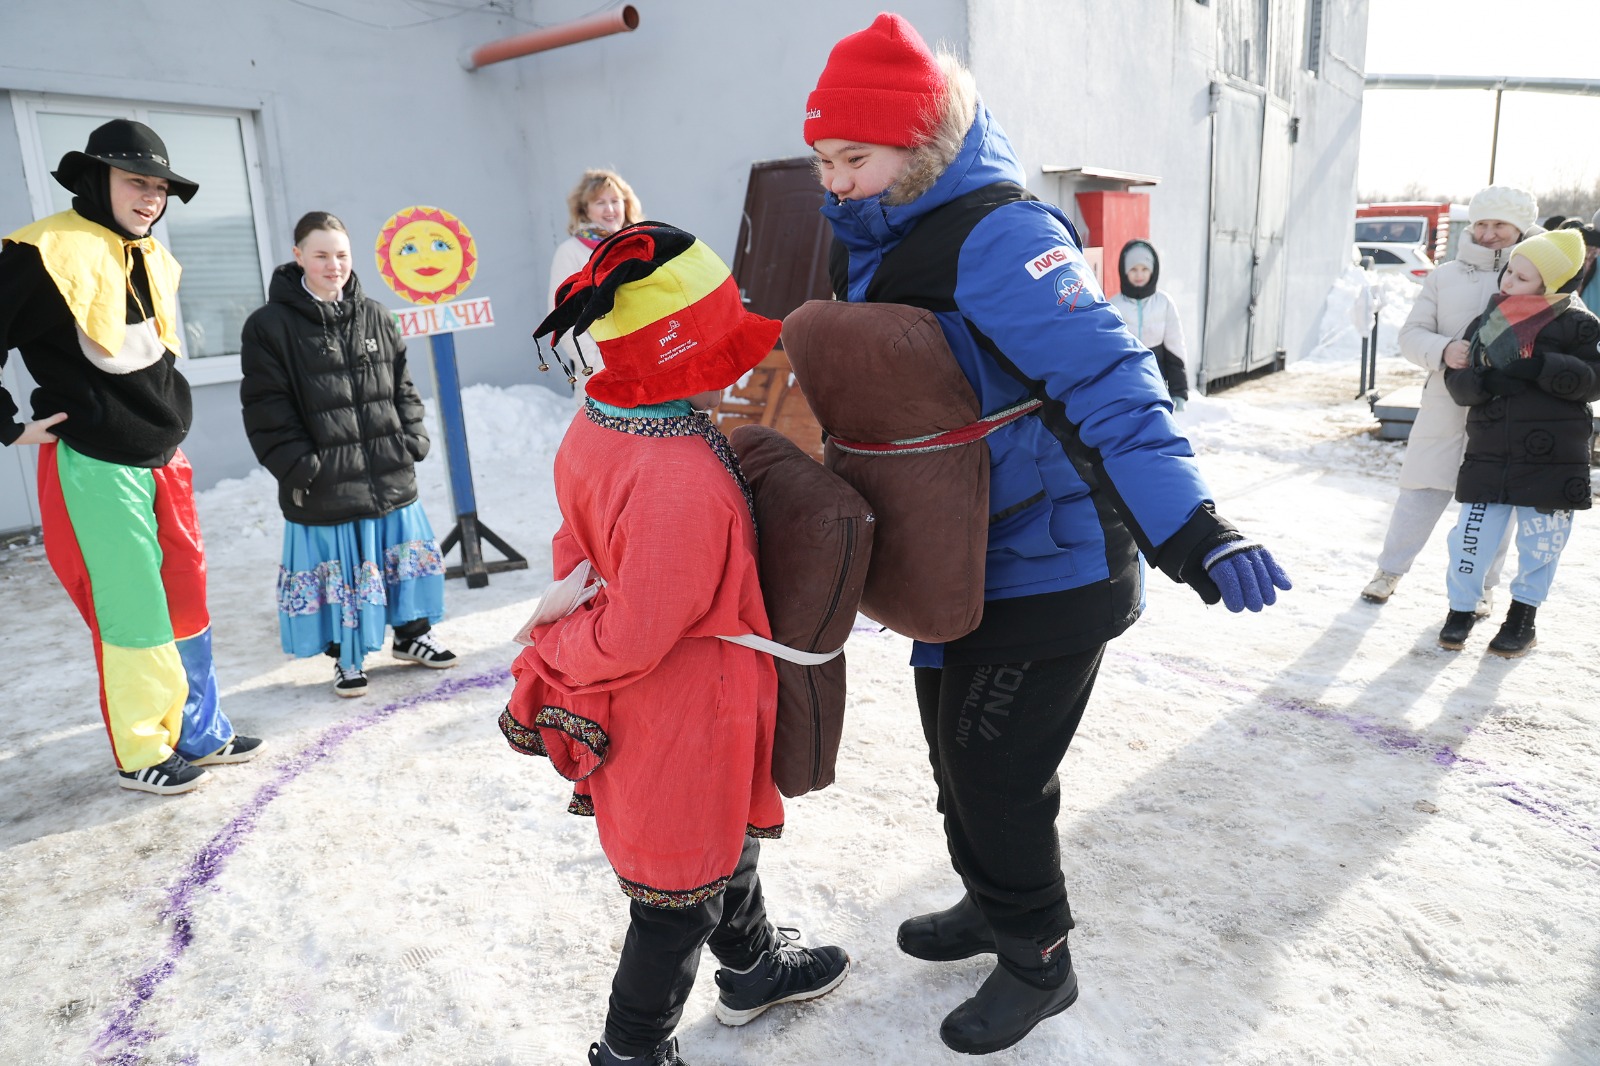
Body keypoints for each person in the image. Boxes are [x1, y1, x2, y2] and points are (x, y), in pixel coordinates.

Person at [803, 14, 1289, 1054]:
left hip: (1052, 556)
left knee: (992, 767)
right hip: (956, 551)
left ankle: (1038, 958)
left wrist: (1195, 529)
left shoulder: (1002, 236)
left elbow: (1111, 385)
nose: (834, 179)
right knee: (952, 753)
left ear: (919, 147)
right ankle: (991, 901)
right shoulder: (872, 236)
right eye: (825, 159)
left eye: (855, 157)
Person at [504, 223, 850, 1066]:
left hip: (672, 704)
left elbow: (577, 549)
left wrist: (565, 618)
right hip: (680, 715)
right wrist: (559, 648)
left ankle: (754, 969)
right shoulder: (675, 480)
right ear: (683, 355)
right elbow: (632, 630)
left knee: (718, 847)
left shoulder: (604, 418)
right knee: (674, 899)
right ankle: (632, 1051)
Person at [0, 119, 263, 794]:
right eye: (134, 181)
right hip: (96, 464)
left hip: (163, 456)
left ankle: (199, 731)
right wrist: (9, 427)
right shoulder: (41, 251)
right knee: (133, 609)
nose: (151, 197)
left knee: (186, 598)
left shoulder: (153, 255)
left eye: (160, 187)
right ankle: (143, 746)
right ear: (95, 178)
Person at [240, 211, 457, 699]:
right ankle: (347, 656)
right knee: (343, 570)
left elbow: (402, 385)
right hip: (325, 482)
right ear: (298, 257)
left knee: (398, 560)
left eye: (341, 255)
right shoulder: (269, 326)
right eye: (320, 255)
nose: (333, 265)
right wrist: (301, 467)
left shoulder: (375, 314)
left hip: (388, 470)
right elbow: (265, 408)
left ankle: (412, 635)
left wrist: (412, 438)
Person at [1360, 184, 1537, 606]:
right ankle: (1389, 571)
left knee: (1493, 505)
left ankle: (1483, 588)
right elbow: (1411, 335)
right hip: (1444, 405)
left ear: (1521, 229)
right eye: (1482, 224)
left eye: (1501, 225)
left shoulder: (1534, 278)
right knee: (1420, 492)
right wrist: (1443, 349)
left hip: (1503, 410)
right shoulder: (1445, 275)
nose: (1489, 234)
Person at [1436, 228, 1600, 656]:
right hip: (1491, 450)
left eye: (1523, 278)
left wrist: (1544, 366)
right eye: (1510, 271)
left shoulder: (1579, 324)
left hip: (1556, 456)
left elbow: (1595, 379)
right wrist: (1483, 380)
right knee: (1469, 537)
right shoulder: (1488, 321)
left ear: (1552, 283)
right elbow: (1458, 381)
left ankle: (1523, 617)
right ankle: (1460, 609)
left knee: (1542, 542)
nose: (1509, 282)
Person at [546, 169, 644, 403]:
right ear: (585, 210)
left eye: (615, 201)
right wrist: (596, 364)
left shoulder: (641, 246)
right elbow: (562, 317)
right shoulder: (571, 252)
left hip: (648, 370)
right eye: (600, 202)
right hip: (604, 378)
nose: (610, 209)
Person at [1109, 239, 1190, 409]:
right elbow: (1107, 351)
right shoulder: (1113, 305)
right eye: (1133, 269)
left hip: (1156, 381)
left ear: (1153, 271)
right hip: (1124, 383)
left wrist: (1178, 390)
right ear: (1124, 272)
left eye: (1145, 269)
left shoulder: (1164, 303)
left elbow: (1175, 348)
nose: (1139, 275)